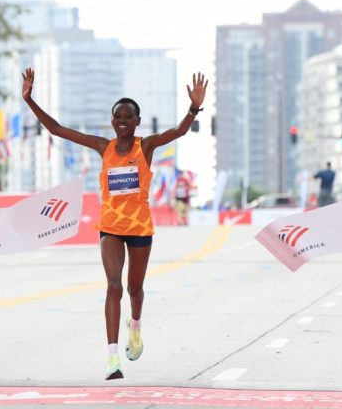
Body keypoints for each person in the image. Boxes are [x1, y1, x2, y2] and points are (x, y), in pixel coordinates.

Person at [22, 67, 207, 380]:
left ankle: (135, 326)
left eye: (128, 118)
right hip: (110, 226)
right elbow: (56, 129)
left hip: (139, 229)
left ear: (136, 122)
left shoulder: (145, 147)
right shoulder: (102, 146)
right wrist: (29, 100)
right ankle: (112, 358)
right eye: (117, 118)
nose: (122, 122)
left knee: (135, 289)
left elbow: (178, 132)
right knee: (113, 285)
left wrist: (193, 108)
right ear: (112, 122)